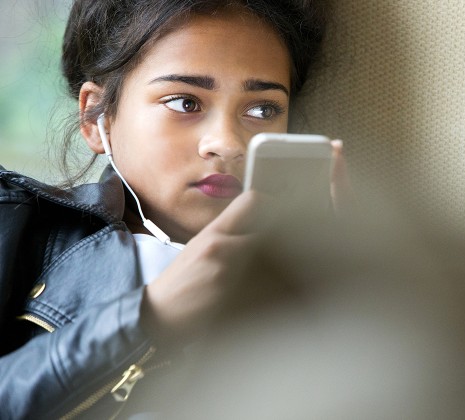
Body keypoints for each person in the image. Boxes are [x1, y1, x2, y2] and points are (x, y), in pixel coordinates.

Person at [0, 0, 348, 417]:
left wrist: (355, 298)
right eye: (185, 102)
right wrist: (150, 314)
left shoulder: (311, 276)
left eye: (261, 110)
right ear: (97, 118)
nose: (227, 143)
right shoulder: (18, 224)